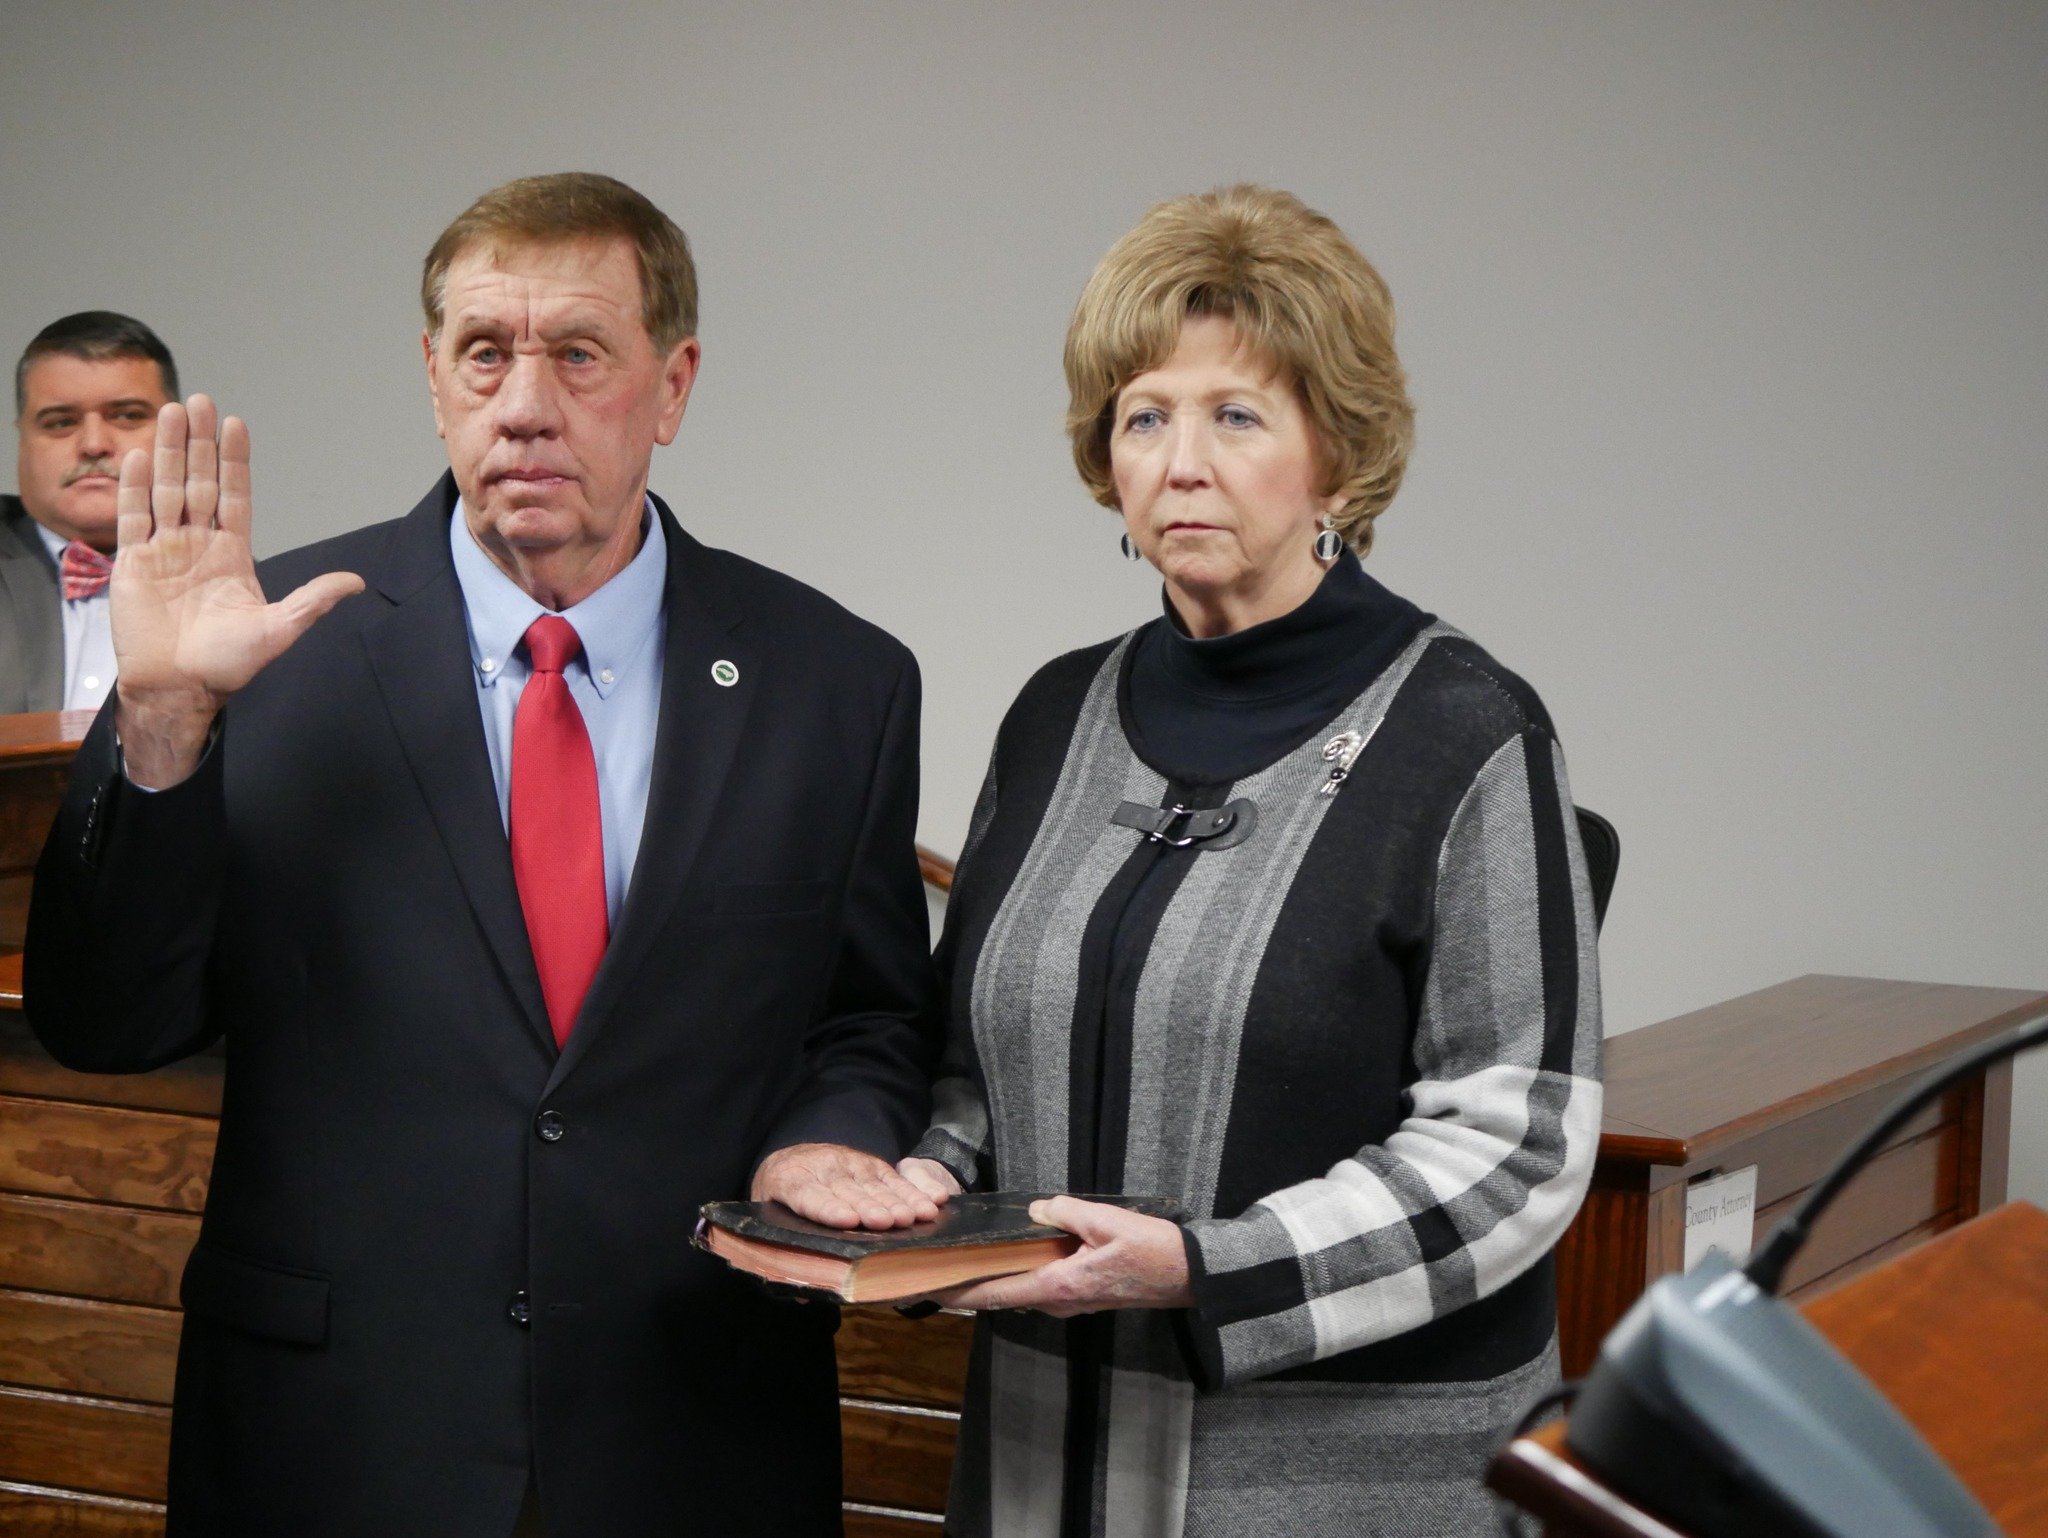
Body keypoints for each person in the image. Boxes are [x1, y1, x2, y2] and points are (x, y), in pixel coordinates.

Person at [25, 173, 944, 1538]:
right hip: (331, 1443)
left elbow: (869, 1013)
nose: (525, 403)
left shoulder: (837, 682)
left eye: (578, 354)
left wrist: (827, 1135)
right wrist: (162, 718)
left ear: (673, 383)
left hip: (694, 1430)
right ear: (435, 377)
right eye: (485, 354)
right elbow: (105, 1023)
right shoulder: (258, 645)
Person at [893, 186, 1604, 1537]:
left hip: (1342, 1483)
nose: (1181, 460)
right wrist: (922, 1179)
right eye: (1145, 415)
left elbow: (1519, 1144)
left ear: (1336, 453)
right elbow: (971, 1063)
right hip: (1049, 1461)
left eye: (1237, 415)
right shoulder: (1055, 715)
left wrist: (1205, 1269)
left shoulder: (1467, 731)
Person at [2, 311, 179, 712]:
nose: (94, 444)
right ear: (22, 440)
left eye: (128, 415)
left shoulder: (245, 591)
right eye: (61, 422)